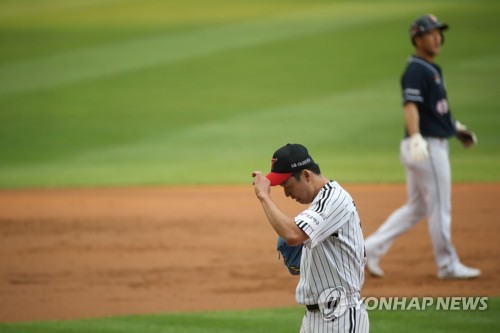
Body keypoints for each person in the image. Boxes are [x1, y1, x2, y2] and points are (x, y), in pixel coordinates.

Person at [364, 14, 481, 279]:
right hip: (425, 147)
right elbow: (411, 105)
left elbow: (436, 111)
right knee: (440, 206)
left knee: (416, 208)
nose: (438, 37)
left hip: (426, 144)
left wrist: (456, 128)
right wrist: (416, 136)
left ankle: (369, 249)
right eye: (431, 33)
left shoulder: (430, 69)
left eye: (439, 32)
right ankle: (448, 264)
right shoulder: (417, 69)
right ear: (417, 38)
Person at [252, 143, 369, 333]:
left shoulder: (335, 199)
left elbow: (292, 235)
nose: (287, 194)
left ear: (306, 175)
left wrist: (264, 196)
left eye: (288, 186)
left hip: (340, 319)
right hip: (315, 319)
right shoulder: (320, 204)